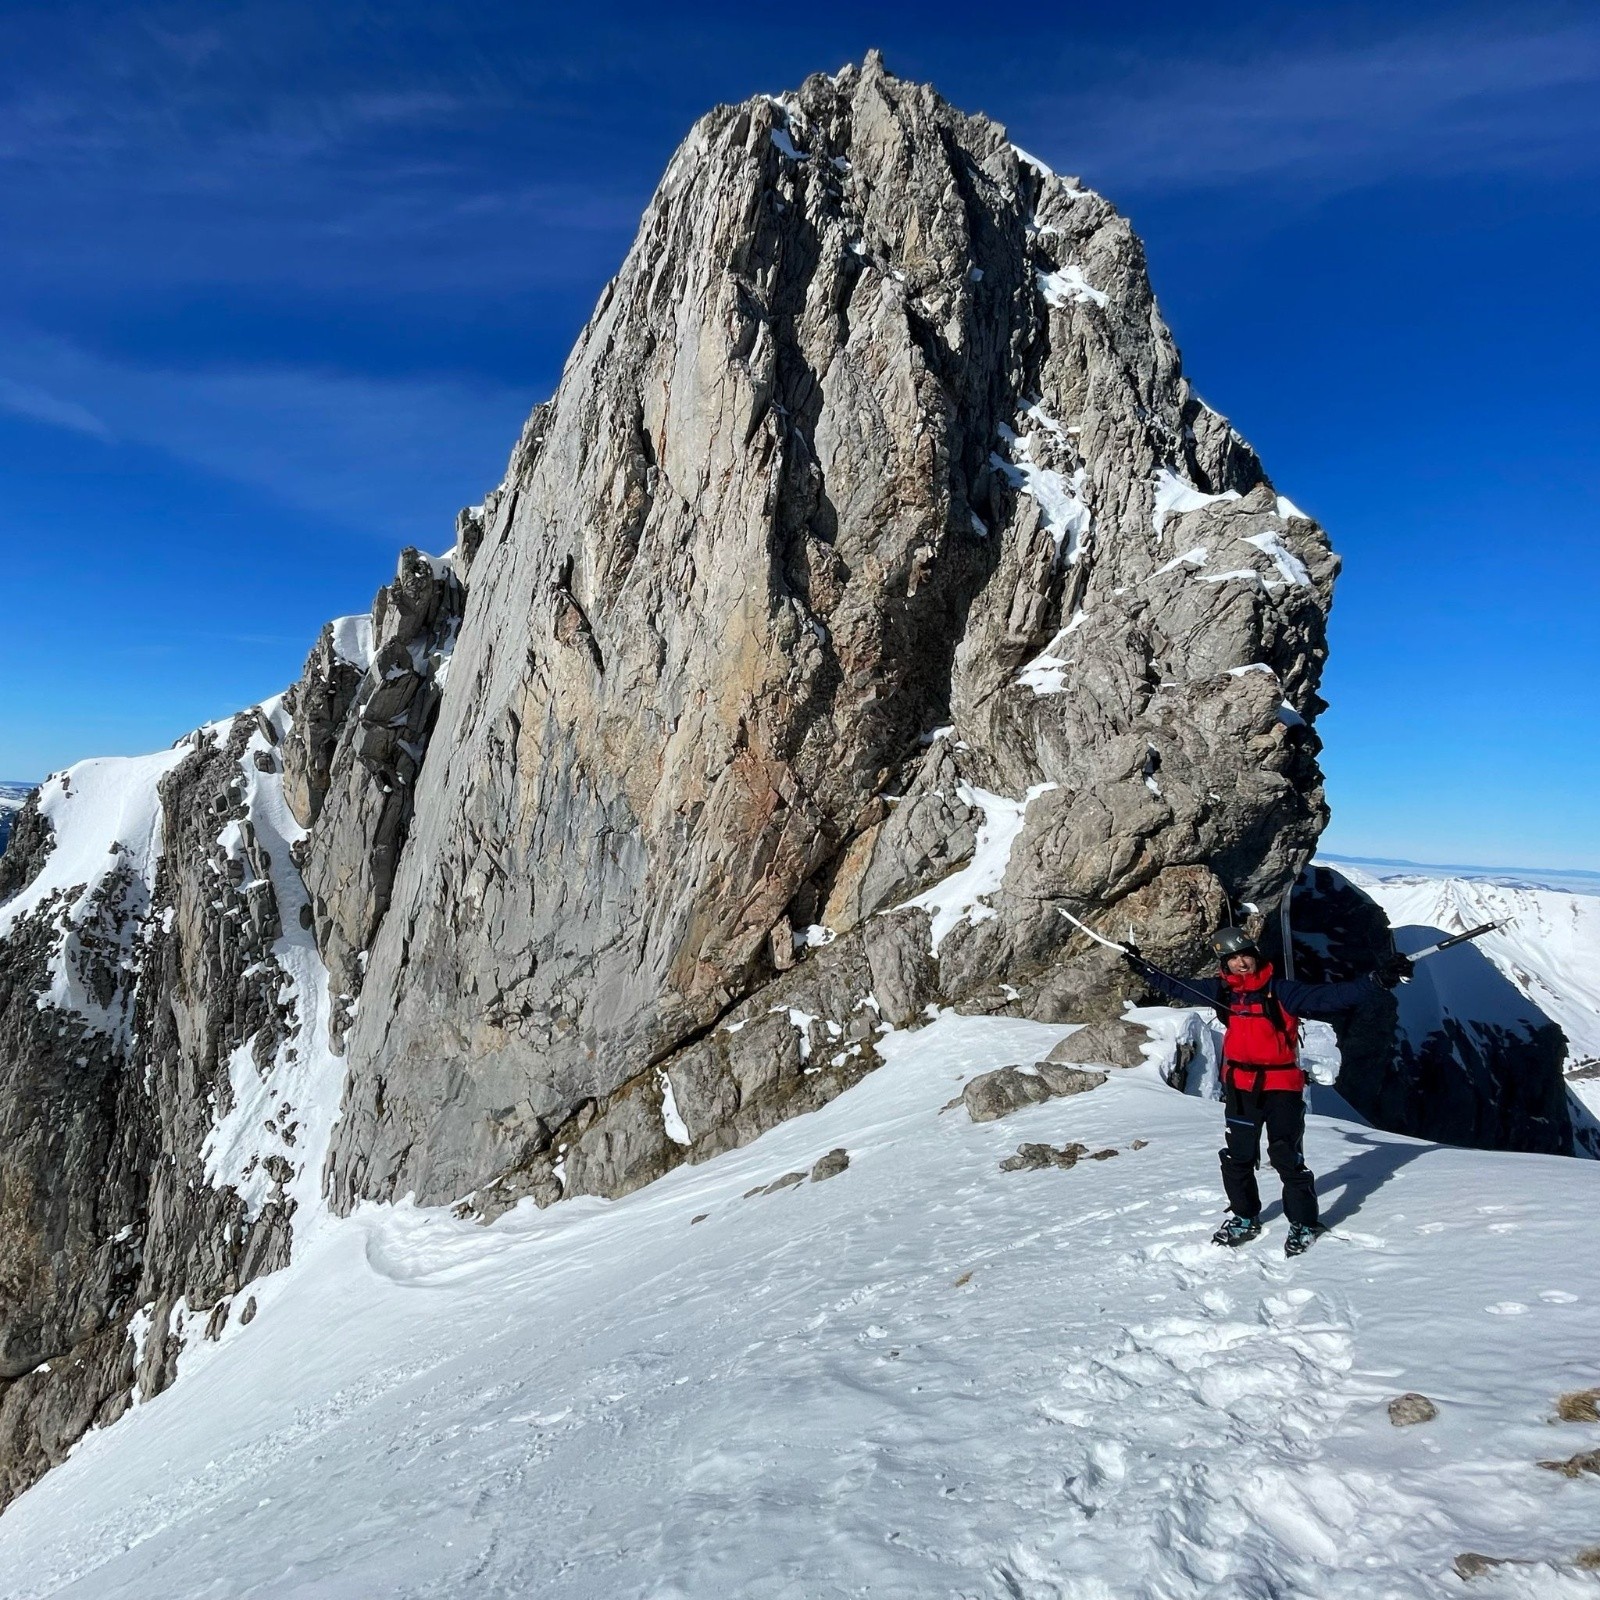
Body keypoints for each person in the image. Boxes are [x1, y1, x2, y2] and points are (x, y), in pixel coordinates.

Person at [1123, 927, 1411, 1257]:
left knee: (1287, 1157)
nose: (1241, 964)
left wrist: (1378, 980)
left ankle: (1303, 1223)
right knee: (1238, 1156)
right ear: (1224, 965)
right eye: (1233, 960)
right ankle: (1245, 1216)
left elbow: (1332, 996)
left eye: (1245, 955)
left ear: (1256, 956)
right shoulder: (1222, 991)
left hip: (1282, 1087)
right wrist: (1140, 965)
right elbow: (1177, 986)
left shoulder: (1282, 990)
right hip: (1241, 1087)